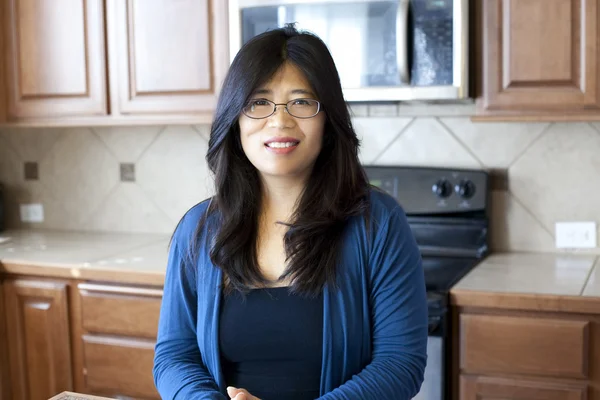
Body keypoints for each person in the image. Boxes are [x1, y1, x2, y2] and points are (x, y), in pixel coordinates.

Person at [152, 24, 428, 400]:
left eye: (301, 102)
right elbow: (173, 356)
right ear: (236, 119)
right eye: (258, 102)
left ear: (328, 119)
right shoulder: (198, 230)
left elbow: (400, 364)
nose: (280, 121)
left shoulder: (377, 224)